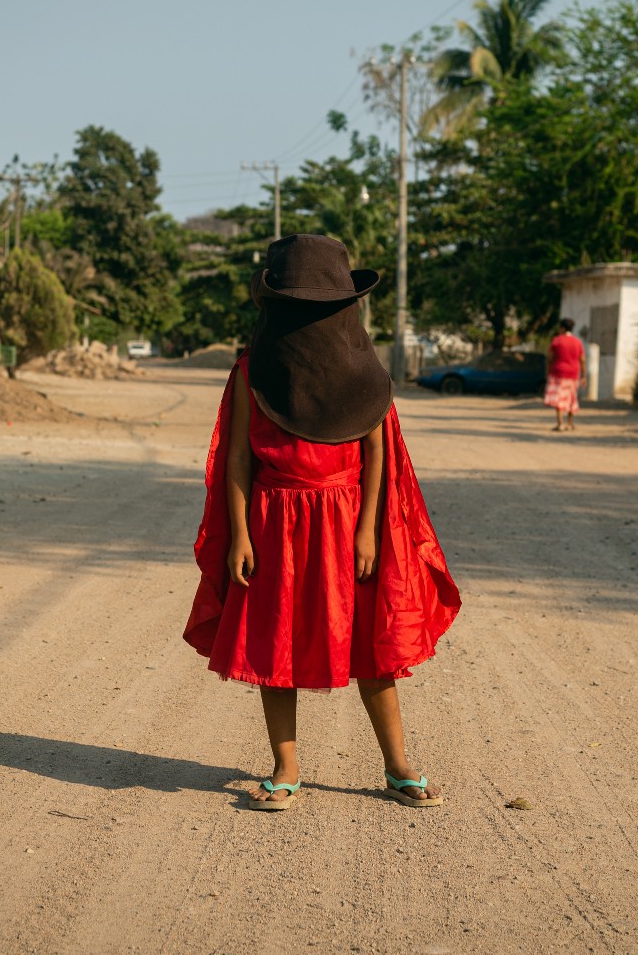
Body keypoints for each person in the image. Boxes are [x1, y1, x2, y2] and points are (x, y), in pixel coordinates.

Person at [183, 234, 462, 812]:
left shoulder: (365, 373)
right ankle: (286, 767)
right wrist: (239, 531)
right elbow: (238, 457)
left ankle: (397, 765)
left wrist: (367, 528)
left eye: (322, 306)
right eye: (297, 305)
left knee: (372, 645)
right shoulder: (251, 372)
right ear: (275, 305)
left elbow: (378, 454)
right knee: (277, 644)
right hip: (273, 524)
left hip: (347, 523)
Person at [545, 318, 586, 431]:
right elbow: (582, 360)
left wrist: (548, 373)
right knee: (571, 397)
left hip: (558, 374)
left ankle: (560, 424)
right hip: (573, 375)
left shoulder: (557, 341)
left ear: (562, 328)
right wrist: (583, 376)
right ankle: (569, 423)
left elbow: (549, 358)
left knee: (559, 398)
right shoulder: (577, 342)